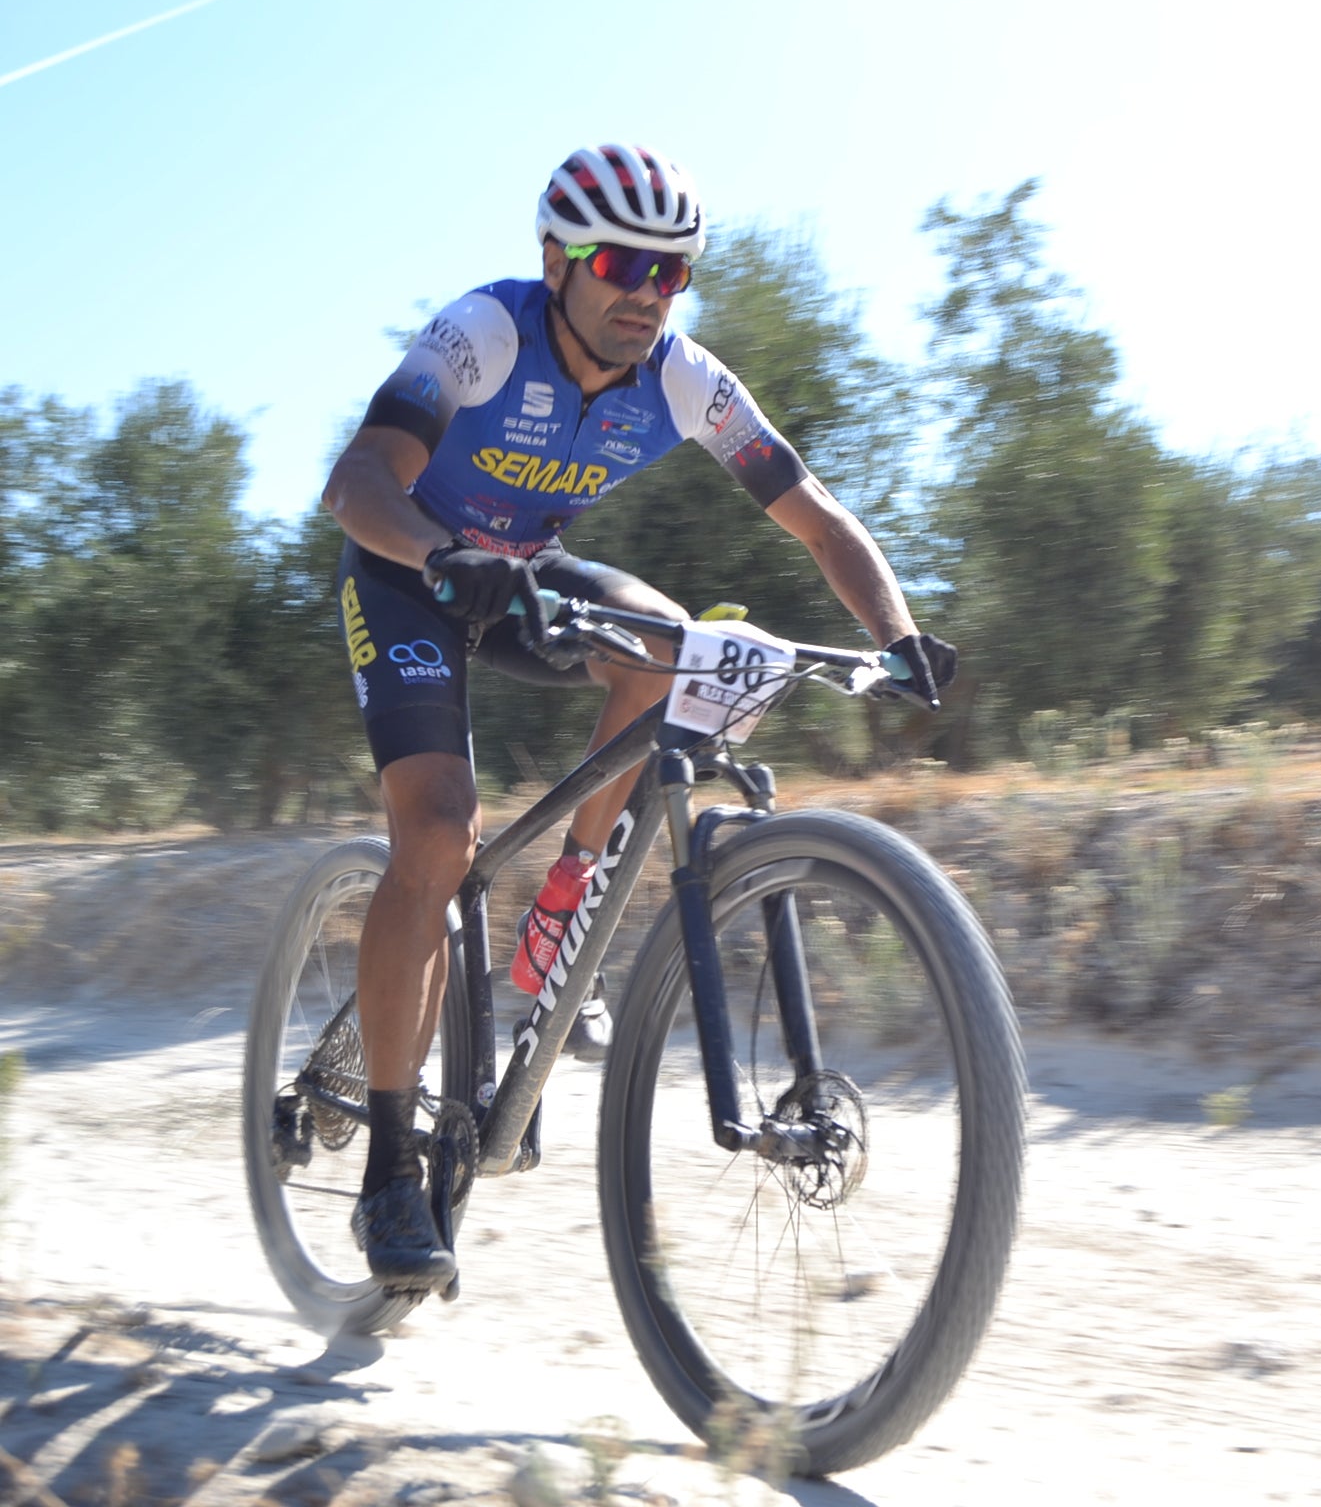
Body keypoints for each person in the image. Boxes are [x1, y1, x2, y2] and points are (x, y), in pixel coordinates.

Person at [324, 143, 955, 1291]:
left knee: (674, 645)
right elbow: (356, 481)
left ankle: (564, 899)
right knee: (435, 833)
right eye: (622, 264)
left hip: (523, 570)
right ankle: (385, 1170)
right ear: (557, 258)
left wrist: (900, 636)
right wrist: (439, 552)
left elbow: (813, 515)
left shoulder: (684, 379)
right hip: (411, 573)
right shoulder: (484, 335)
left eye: (675, 273)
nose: (648, 294)